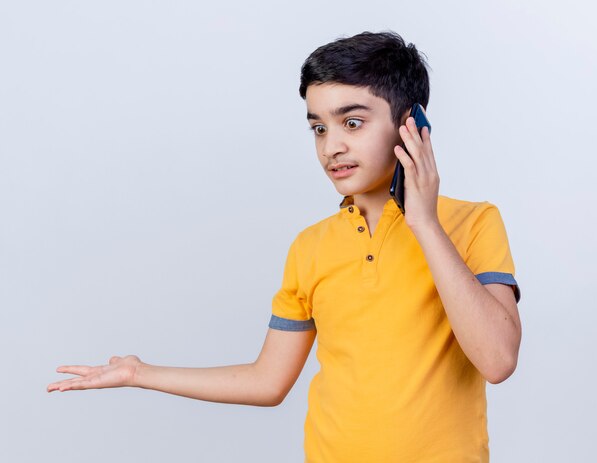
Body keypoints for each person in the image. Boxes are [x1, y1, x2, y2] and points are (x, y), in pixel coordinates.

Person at [48, 30, 522, 462]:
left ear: (411, 126)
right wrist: (141, 373)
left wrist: (424, 222)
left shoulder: (473, 222)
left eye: (352, 123)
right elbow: (267, 381)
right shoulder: (310, 247)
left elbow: (497, 360)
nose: (330, 146)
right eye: (318, 128)